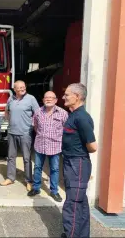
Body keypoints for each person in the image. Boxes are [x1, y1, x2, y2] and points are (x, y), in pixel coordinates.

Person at [61, 83, 97, 238]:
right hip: (72, 163)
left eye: (67, 94)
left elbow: (93, 146)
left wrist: (78, 156)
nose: (64, 97)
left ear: (77, 96)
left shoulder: (82, 117)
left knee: (73, 204)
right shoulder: (73, 114)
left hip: (77, 164)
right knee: (79, 202)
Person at [27, 91, 68, 202]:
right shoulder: (38, 112)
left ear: (56, 100)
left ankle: (54, 191)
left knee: (54, 169)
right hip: (40, 145)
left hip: (55, 146)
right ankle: (36, 188)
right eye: (46, 97)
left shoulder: (63, 113)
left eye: (51, 98)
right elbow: (35, 126)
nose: (48, 99)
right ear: (43, 100)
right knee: (38, 167)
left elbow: (66, 129)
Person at [0, 80, 39, 191]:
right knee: (11, 157)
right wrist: (10, 120)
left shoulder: (31, 99)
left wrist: (32, 127)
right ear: (14, 89)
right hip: (12, 132)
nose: (22, 89)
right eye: (20, 87)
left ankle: (28, 181)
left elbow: (38, 114)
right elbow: (6, 111)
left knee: (26, 158)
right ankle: (10, 178)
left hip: (25, 133)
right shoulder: (10, 98)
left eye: (24, 86)